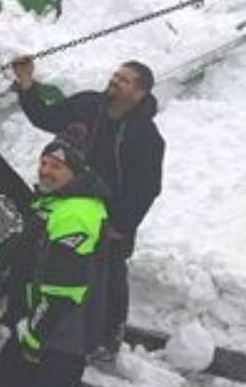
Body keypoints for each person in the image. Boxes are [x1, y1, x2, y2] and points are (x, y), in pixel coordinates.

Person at [10, 57, 164, 364]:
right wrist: (27, 85)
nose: (115, 81)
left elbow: (147, 187)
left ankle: (108, 335)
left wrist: (123, 225)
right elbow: (46, 117)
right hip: (68, 203)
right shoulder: (86, 105)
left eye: (125, 80)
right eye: (116, 75)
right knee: (54, 263)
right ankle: (42, 322)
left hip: (111, 218)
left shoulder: (145, 135)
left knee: (109, 274)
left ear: (140, 94)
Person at [0, 137, 109, 387]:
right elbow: (30, 238)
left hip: (56, 338)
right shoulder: (56, 204)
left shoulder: (75, 215)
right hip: (45, 334)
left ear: (74, 173)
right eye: (44, 163)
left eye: (56, 166)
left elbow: (64, 289)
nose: (45, 171)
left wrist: (34, 337)